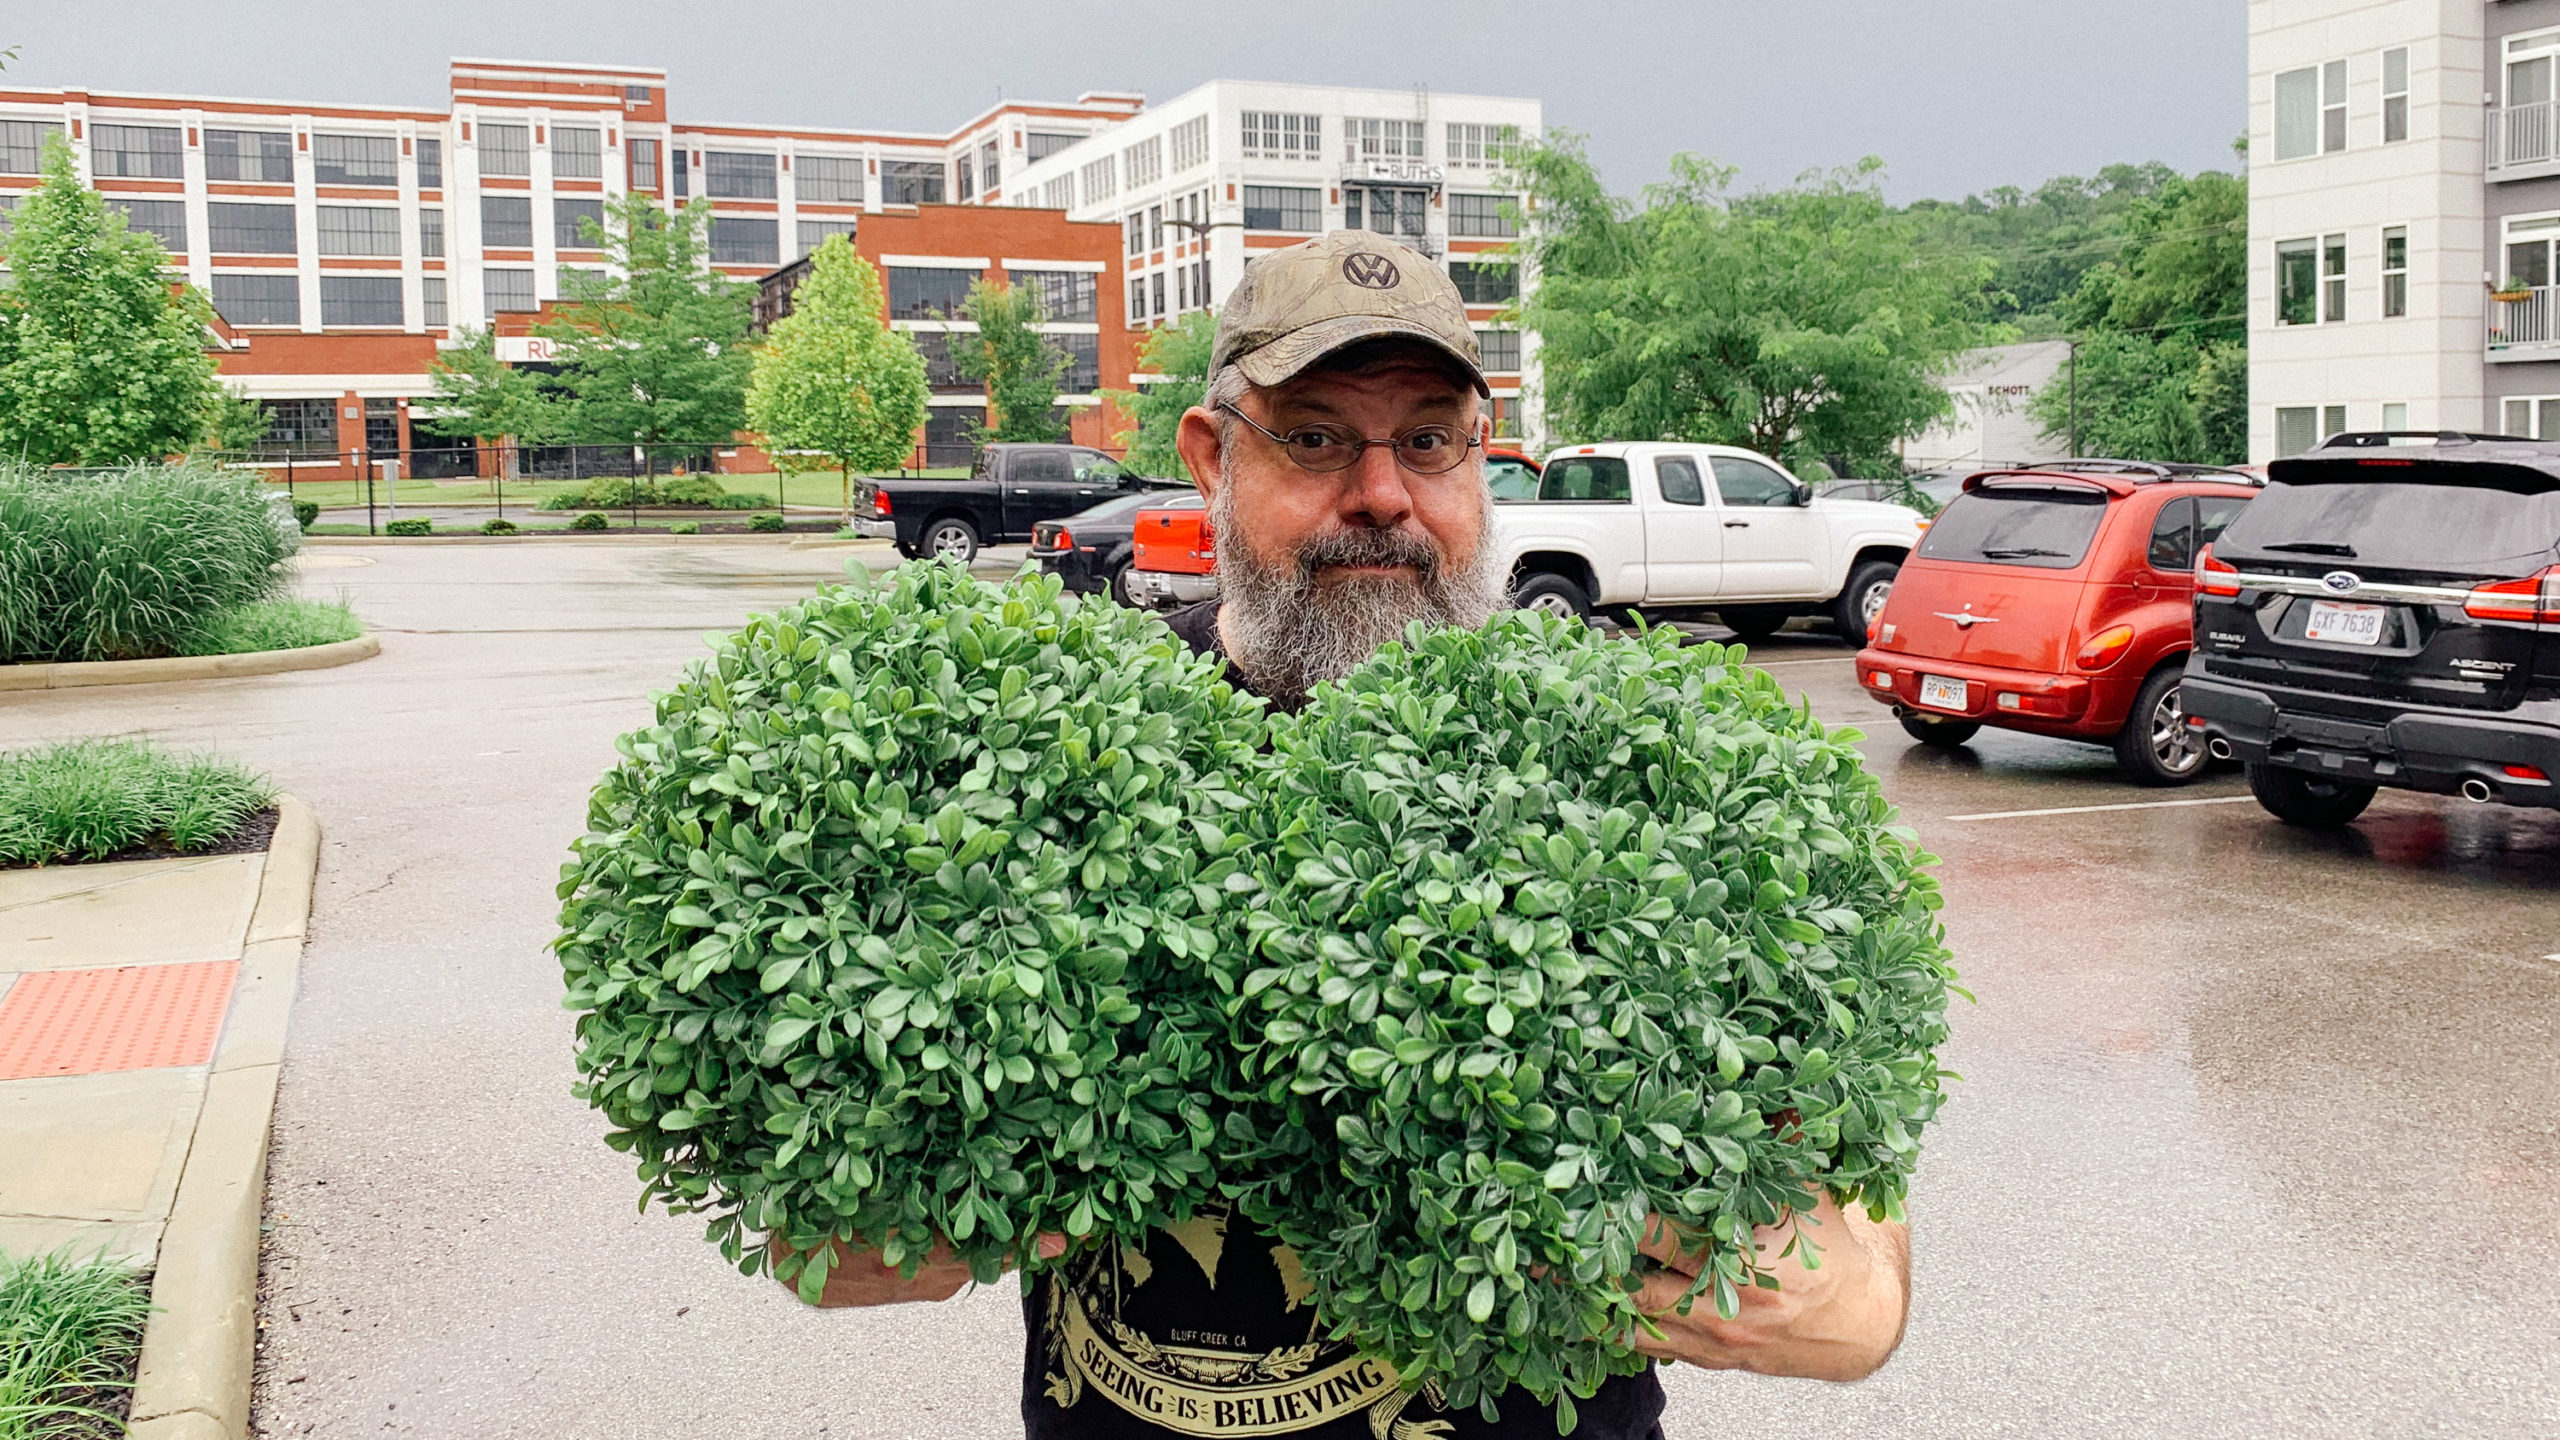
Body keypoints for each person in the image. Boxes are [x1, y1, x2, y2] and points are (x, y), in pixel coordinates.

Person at [780, 230, 1912, 1438]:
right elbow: (829, 1116)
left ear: (1481, 455)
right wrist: (848, 1214)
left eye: (1428, 439)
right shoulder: (1064, 739)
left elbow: (1842, 1143)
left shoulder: (1632, 758)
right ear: (1212, 459)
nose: (1382, 495)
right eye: (1316, 438)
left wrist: (1864, 1302)